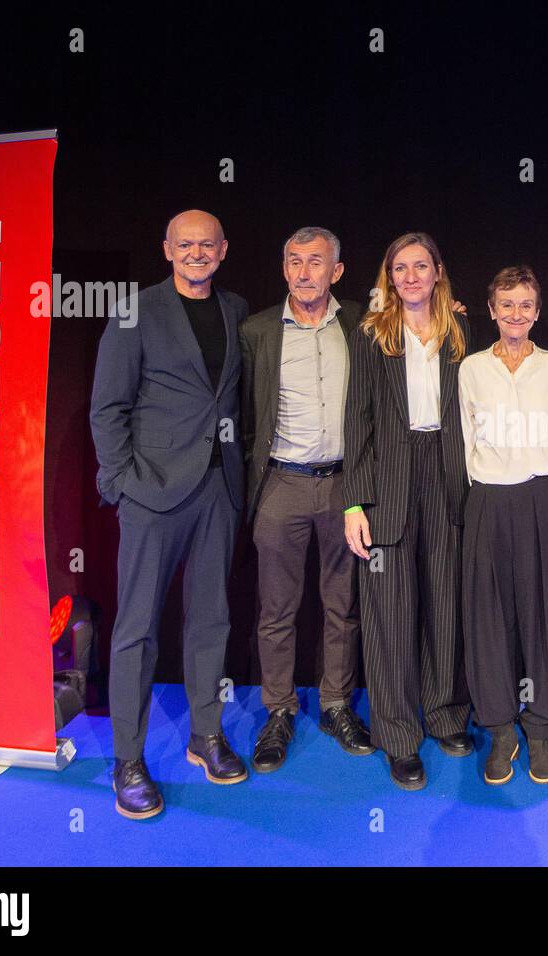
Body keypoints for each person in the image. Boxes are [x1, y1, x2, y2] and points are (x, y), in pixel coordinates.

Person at [90, 209, 249, 819]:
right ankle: (128, 760)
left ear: (223, 248)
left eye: (206, 244)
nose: (196, 252)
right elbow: (108, 407)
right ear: (166, 250)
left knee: (211, 618)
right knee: (137, 630)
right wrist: (119, 485)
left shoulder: (235, 310)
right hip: (151, 492)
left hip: (218, 488)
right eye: (185, 244)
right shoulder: (136, 310)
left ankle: (205, 736)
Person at [239, 227, 373, 773]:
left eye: (315, 262)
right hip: (281, 484)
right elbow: (244, 411)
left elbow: (421, 323)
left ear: (336, 271)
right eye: (293, 261)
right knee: (277, 608)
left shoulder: (363, 324)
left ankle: (337, 704)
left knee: (342, 606)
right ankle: (278, 710)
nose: (303, 271)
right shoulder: (257, 331)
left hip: (344, 486)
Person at [342, 232, 472, 791]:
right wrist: (354, 502)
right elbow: (357, 422)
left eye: (421, 266)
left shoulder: (461, 331)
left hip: (447, 477)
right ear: (389, 277)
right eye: (401, 268)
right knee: (390, 614)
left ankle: (445, 715)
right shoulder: (373, 334)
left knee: (445, 603)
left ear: (438, 272)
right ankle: (397, 735)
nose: (411, 276)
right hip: (389, 483)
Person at [459, 266, 548, 785]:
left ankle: (541, 727)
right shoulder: (470, 369)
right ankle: (501, 728)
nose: (515, 314)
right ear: (491, 310)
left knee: (545, 613)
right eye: (506, 305)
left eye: (525, 305)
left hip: (540, 499)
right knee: (489, 615)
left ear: (536, 310)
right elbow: (465, 441)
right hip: (487, 499)